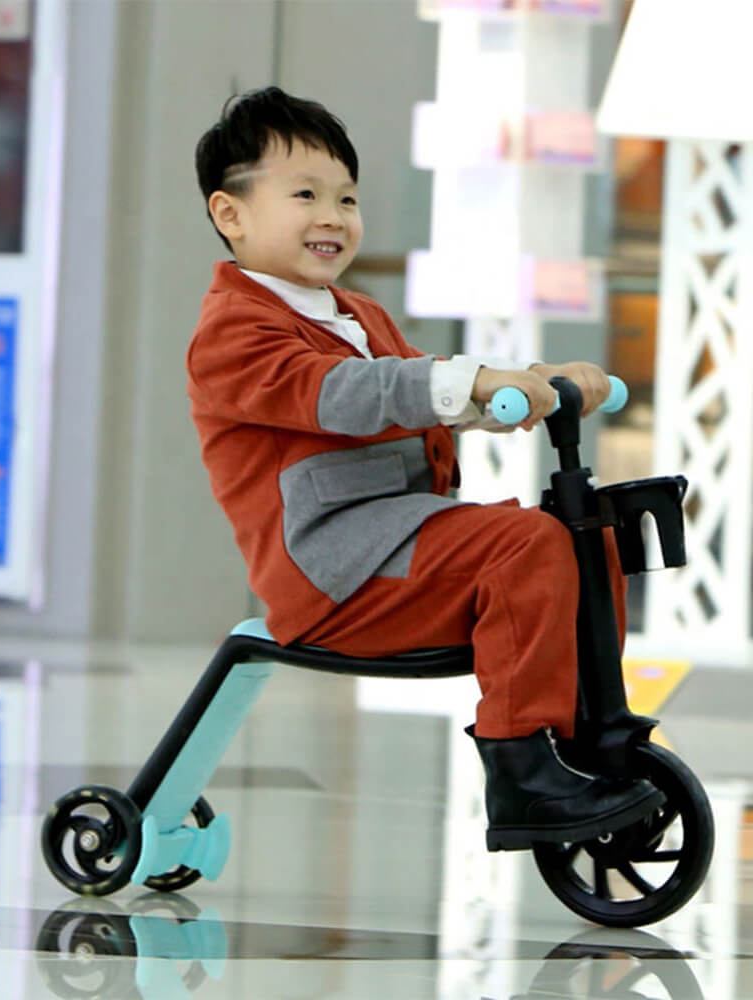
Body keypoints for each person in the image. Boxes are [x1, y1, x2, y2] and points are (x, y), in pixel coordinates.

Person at [188, 86, 662, 850]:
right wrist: (468, 379)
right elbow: (346, 395)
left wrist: (528, 383)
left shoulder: (358, 314)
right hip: (335, 574)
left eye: (347, 198)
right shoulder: (234, 333)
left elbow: (432, 396)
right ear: (231, 213)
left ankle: (586, 732)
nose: (332, 216)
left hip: (402, 544)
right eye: (305, 195)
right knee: (526, 546)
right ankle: (521, 769)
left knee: (587, 539)